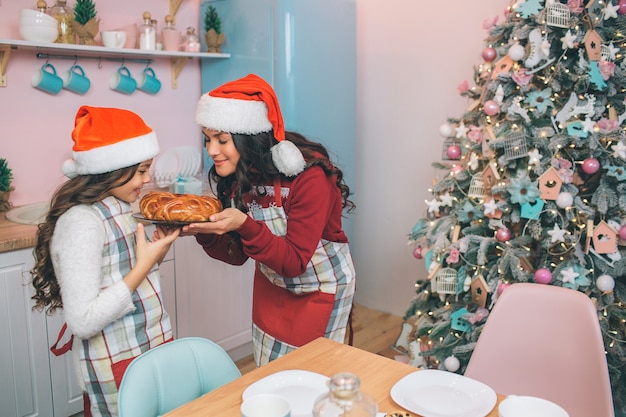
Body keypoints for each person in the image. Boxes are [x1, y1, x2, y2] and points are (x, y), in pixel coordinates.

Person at [183, 73, 356, 366]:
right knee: (269, 373)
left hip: (320, 290)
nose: (211, 150)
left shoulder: (309, 177)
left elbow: (293, 262)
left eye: (222, 140)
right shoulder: (240, 175)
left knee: (310, 378)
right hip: (271, 288)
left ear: (249, 138)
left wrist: (243, 224)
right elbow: (237, 254)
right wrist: (205, 230)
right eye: (207, 140)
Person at [30, 106, 180, 417]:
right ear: (111, 169)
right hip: (116, 363)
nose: (148, 178)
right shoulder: (81, 223)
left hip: (148, 347)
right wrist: (142, 267)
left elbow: (120, 274)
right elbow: (82, 321)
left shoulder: (119, 205)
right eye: (140, 171)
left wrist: (156, 254)